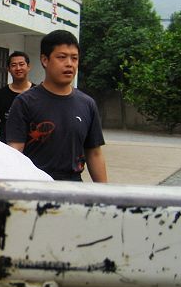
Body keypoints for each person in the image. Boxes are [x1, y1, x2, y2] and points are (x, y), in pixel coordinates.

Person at [6, 29, 108, 182]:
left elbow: (94, 153)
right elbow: (15, 152)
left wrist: (105, 191)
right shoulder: (24, 102)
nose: (69, 64)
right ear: (45, 60)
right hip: (35, 185)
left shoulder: (87, 104)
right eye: (62, 57)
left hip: (73, 187)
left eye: (74, 58)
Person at [0, 51, 34, 143]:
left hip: (32, 148)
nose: (18, 68)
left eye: (21, 64)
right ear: (8, 69)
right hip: (7, 147)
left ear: (28, 67)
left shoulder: (38, 94)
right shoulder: (0, 94)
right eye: (13, 65)